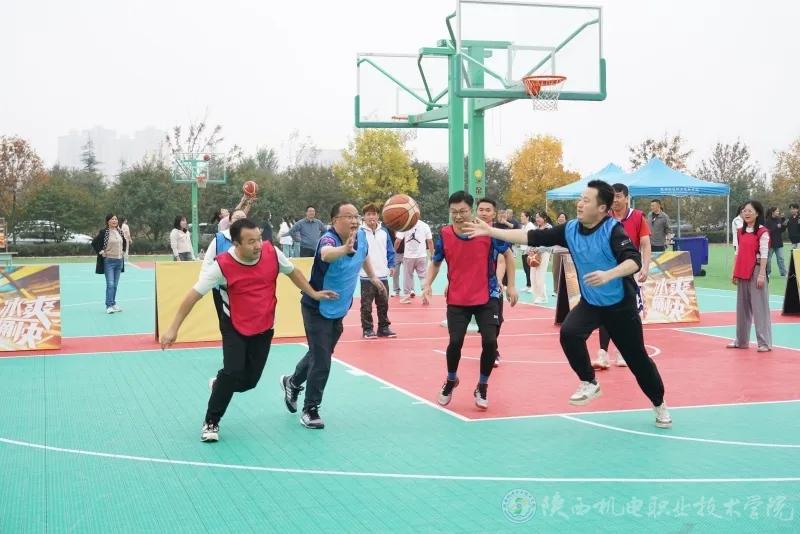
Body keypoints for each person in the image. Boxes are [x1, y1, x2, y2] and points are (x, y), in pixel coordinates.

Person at [463, 180, 671, 428]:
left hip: (620, 306)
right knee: (569, 333)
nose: (579, 204)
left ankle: (659, 403)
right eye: (580, 199)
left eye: (586, 200)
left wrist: (609, 274)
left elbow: (633, 261)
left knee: (638, 360)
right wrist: (491, 231)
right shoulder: (570, 229)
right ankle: (589, 382)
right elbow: (531, 236)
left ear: (602, 208)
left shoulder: (613, 230)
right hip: (592, 303)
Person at [160, 218, 338, 442]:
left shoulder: (272, 253)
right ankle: (211, 421)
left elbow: (293, 272)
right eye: (251, 241)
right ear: (236, 244)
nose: (258, 245)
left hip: (263, 325)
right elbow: (192, 296)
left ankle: (219, 385)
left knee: (249, 382)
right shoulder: (222, 266)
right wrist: (173, 328)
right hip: (234, 325)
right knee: (232, 371)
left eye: (259, 239)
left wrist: (313, 293)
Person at [280, 202, 386, 429]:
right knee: (322, 360)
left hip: (339, 307)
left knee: (320, 353)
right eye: (348, 216)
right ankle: (310, 410)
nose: (354, 220)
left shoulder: (361, 236)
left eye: (356, 216)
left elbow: (364, 255)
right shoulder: (328, 239)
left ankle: (292, 381)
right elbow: (326, 255)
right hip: (316, 307)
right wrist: (344, 249)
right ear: (334, 221)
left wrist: (373, 276)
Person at [422, 191, 515, 410]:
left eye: (462, 211)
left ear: (471, 210)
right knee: (455, 342)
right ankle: (451, 379)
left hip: (487, 295)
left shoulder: (487, 232)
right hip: (458, 297)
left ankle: (482, 385)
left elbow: (509, 256)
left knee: (490, 342)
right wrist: (427, 284)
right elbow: (436, 262)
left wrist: (511, 285)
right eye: (453, 212)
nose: (458, 216)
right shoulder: (445, 234)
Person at [592, 183, 651, 370]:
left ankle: (622, 352)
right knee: (605, 311)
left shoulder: (638, 217)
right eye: (613, 197)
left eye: (618, 196)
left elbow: (645, 243)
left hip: (628, 271)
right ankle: (602, 354)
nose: (615, 200)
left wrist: (645, 267)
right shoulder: (604, 217)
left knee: (628, 313)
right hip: (607, 273)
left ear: (626, 198)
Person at [476, 197, 518, 367]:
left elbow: (502, 259)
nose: (484, 213)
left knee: (497, 322)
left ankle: (492, 347)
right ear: (476, 211)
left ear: (494, 214)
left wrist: (503, 281)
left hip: (492, 286)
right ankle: (490, 349)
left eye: (488, 210)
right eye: (481, 209)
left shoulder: (497, 235)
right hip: (472, 286)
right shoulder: (468, 232)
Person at [727, 201, 772, 352]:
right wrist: (734, 272)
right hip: (742, 270)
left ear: (757, 213)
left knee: (760, 308)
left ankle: (764, 343)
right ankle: (741, 341)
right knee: (742, 308)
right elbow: (738, 252)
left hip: (756, 270)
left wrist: (761, 274)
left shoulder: (762, 232)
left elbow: (764, 255)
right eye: (744, 211)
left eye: (750, 211)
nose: (746, 213)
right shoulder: (740, 231)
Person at [359, 203, 397, 339]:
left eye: (374, 214)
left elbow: (390, 250)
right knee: (366, 305)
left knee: (383, 304)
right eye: (368, 214)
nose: (371, 217)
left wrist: (392, 265)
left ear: (378, 216)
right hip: (366, 276)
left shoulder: (384, 232)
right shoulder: (360, 232)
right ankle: (368, 329)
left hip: (382, 274)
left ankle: (383, 328)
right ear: (364, 217)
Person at [91, 213, 127, 314]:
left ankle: (113, 303)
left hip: (119, 261)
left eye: (116, 219)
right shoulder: (104, 232)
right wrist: (101, 251)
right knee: (110, 284)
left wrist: (123, 251)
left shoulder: (120, 231)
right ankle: (109, 305)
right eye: (112, 219)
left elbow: (124, 242)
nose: (114, 221)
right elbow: (94, 242)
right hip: (109, 262)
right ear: (108, 221)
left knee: (115, 284)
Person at [396, 218, 434, 303]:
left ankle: (406, 297)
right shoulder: (425, 225)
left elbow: (398, 241)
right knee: (423, 276)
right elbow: (430, 241)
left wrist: (394, 252)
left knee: (408, 276)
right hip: (422, 255)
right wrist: (432, 254)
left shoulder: (405, 224)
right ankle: (425, 296)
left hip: (408, 256)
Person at [530, 211, 553, 304]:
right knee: (533, 275)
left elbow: (550, 244)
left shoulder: (549, 228)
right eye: (536, 217)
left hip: (544, 254)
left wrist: (539, 249)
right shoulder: (537, 228)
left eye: (539, 217)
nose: (537, 219)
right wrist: (531, 249)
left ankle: (542, 297)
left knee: (540, 275)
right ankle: (537, 295)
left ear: (545, 218)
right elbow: (533, 241)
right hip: (535, 254)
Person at [765, 207, 787, 276]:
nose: (778, 212)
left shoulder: (779, 219)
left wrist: (784, 225)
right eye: (777, 211)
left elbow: (782, 230)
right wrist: (776, 226)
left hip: (778, 242)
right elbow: (767, 231)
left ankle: (783, 273)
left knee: (781, 259)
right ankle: (768, 273)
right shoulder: (767, 221)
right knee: (768, 260)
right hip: (770, 243)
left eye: (778, 211)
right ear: (773, 212)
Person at [552, 213, 569, 295]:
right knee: (556, 271)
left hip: (566, 252)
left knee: (567, 272)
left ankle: (567, 290)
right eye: (559, 217)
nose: (561, 218)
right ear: (557, 219)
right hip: (556, 252)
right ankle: (556, 290)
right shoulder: (554, 229)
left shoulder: (568, 228)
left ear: (566, 219)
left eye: (563, 217)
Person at [519, 211, 535, 292]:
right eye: (521, 216)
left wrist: (529, 250)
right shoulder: (523, 226)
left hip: (529, 251)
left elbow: (532, 239)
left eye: (522, 216)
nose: (521, 218)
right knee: (526, 269)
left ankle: (533, 286)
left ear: (527, 217)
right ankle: (528, 285)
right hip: (523, 250)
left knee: (530, 269)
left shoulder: (531, 226)